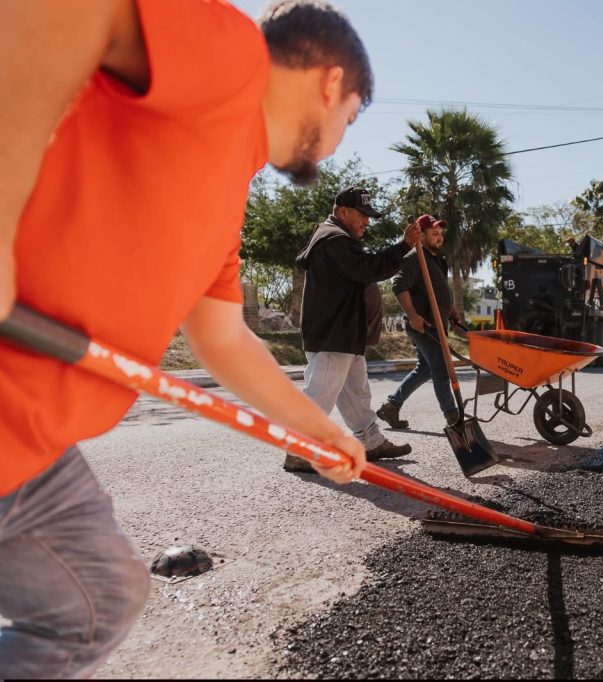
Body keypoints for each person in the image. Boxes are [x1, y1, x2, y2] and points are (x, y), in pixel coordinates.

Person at [0, 1, 374, 676]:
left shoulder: (227, 188)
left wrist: (319, 430)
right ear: (331, 83)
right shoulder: (232, 61)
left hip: (29, 450)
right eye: (352, 117)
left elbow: (223, 338)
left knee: (98, 603)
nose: (341, 136)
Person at [285, 187, 417, 472]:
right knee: (321, 391)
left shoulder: (335, 238)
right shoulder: (334, 239)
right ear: (342, 212)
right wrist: (403, 245)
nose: (367, 222)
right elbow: (366, 269)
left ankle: (370, 441)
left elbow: (360, 272)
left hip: (344, 332)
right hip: (334, 332)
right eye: (362, 215)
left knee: (356, 391)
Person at [377, 215, 462, 430]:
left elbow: (435, 290)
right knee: (440, 367)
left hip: (438, 325)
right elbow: (398, 285)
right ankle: (453, 417)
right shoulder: (415, 258)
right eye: (434, 233)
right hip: (423, 326)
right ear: (421, 235)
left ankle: (391, 406)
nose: (439, 237)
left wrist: (450, 310)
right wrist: (414, 316)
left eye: (440, 233)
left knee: (425, 368)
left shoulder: (436, 259)